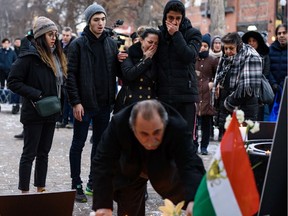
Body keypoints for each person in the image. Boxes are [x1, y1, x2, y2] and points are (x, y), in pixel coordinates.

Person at [91, 99, 205, 216]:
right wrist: (103, 205)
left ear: (165, 124)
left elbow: (189, 163)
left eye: (157, 132)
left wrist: (195, 198)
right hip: (130, 167)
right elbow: (103, 162)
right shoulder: (119, 123)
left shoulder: (177, 126)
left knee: (195, 204)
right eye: (144, 134)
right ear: (133, 128)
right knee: (129, 206)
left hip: (164, 168)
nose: (151, 142)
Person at [66, 3, 126, 202]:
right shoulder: (78, 44)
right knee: (78, 143)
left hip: (104, 103)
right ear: (89, 22)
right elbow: (71, 76)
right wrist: (75, 102)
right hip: (84, 104)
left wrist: (121, 60)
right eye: (96, 20)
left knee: (100, 146)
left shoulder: (110, 43)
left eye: (103, 19)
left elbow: (115, 72)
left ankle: (94, 181)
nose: (101, 23)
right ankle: (76, 183)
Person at [7, 16, 67, 193]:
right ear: (41, 36)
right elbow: (13, 82)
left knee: (44, 153)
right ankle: (24, 191)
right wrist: (37, 94)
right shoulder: (29, 56)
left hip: (52, 111)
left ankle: (41, 187)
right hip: (34, 112)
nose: (54, 38)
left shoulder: (56, 56)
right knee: (29, 154)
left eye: (55, 34)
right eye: (50, 34)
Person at [155, 0, 202, 144]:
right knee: (164, 141)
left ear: (183, 18)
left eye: (178, 18)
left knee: (185, 141)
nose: (174, 22)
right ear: (165, 17)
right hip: (164, 96)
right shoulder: (159, 35)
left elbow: (189, 56)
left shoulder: (193, 34)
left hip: (186, 96)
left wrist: (176, 35)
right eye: (170, 18)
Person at [214, 32, 262, 136]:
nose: (228, 51)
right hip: (227, 111)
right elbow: (221, 78)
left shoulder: (251, 56)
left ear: (238, 46)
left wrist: (228, 103)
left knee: (241, 145)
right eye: (226, 48)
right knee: (228, 145)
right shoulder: (226, 59)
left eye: (231, 48)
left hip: (244, 110)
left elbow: (247, 89)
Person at [114, 28, 160, 113]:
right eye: (150, 42)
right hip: (129, 102)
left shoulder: (159, 57)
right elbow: (129, 75)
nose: (152, 46)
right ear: (141, 40)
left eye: (156, 43)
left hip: (149, 104)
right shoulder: (128, 54)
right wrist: (145, 60)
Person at [195, 33, 218, 155]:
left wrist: (213, 83)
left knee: (206, 125)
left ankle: (204, 146)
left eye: (205, 46)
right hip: (195, 95)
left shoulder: (213, 60)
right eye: (201, 45)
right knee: (194, 124)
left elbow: (217, 76)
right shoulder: (193, 59)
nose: (202, 48)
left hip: (207, 97)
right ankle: (194, 145)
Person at [242, 30, 270, 121]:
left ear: (258, 42)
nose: (251, 43)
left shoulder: (264, 56)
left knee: (258, 118)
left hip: (259, 91)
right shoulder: (243, 55)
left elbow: (266, 72)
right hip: (245, 90)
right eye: (249, 41)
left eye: (254, 41)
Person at [56, 26, 76, 129]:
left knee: (70, 100)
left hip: (70, 75)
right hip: (60, 75)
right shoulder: (59, 44)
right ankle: (63, 120)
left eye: (67, 35)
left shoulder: (74, 44)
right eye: (63, 35)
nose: (65, 37)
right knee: (62, 100)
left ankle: (71, 121)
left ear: (71, 35)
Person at [268, 24, 287, 104]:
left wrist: (283, 84)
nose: (281, 35)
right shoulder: (270, 50)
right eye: (279, 33)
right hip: (273, 91)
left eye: (284, 33)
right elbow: (267, 69)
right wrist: (273, 84)